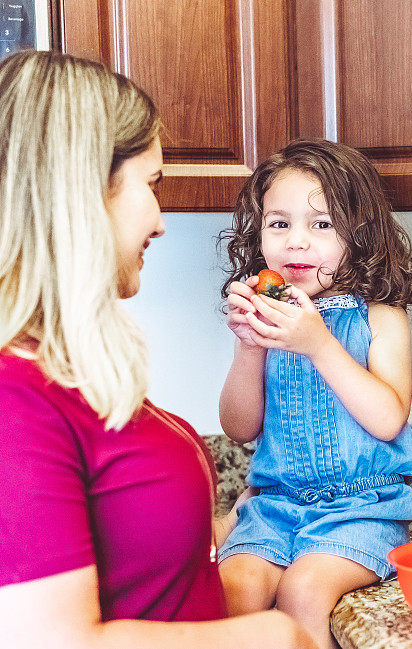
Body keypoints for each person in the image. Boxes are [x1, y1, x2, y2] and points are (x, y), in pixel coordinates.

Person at [0, 50, 316, 649]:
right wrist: (273, 637)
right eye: (152, 185)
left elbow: (135, 568)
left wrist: (229, 528)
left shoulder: (57, 370)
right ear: (82, 192)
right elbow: (48, 640)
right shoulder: (12, 397)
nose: (162, 221)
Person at [217, 139, 412, 648]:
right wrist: (251, 346)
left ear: (359, 234)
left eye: (322, 224)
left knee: (306, 590)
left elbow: (387, 419)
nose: (295, 243)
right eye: (279, 223)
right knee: (234, 589)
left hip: (361, 509)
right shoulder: (269, 316)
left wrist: (317, 345)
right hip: (275, 506)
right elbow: (239, 427)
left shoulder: (380, 315)